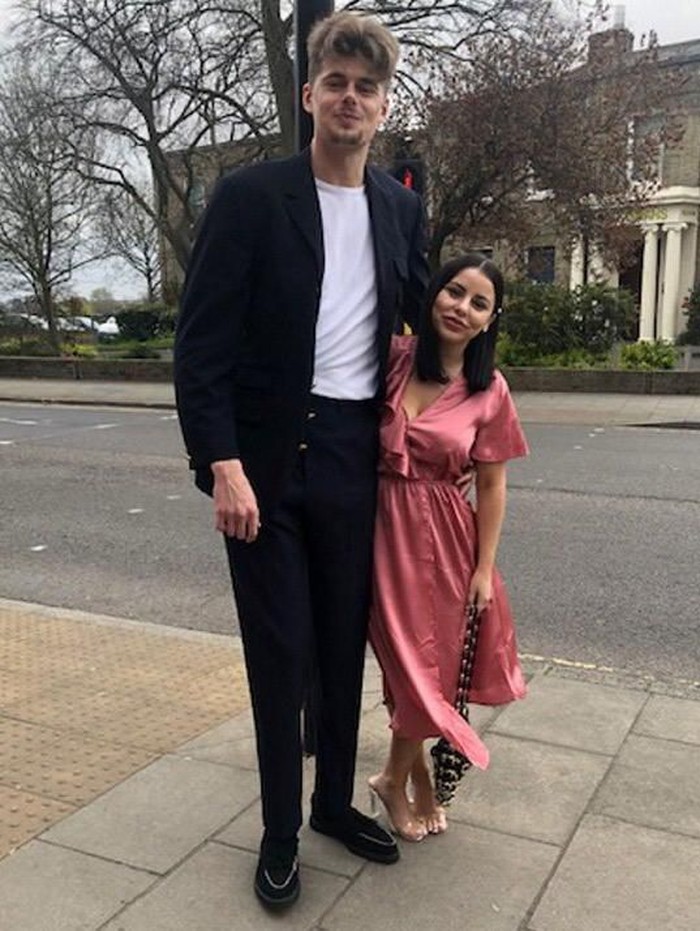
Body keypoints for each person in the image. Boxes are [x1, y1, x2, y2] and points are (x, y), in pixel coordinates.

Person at [174, 11, 429, 910]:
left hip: (356, 455)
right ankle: (281, 828)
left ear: (383, 104)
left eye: (367, 87)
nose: (350, 99)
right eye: (337, 84)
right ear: (311, 95)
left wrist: (472, 394)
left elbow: (423, 321)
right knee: (280, 654)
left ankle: (331, 804)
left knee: (339, 644)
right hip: (268, 463)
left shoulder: (399, 206)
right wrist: (222, 462)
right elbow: (201, 346)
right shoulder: (252, 197)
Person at [367, 253, 529, 842]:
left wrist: (484, 569)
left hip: (442, 541)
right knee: (403, 664)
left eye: (479, 303)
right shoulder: (392, 357)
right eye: (454, 292)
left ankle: (399, 779)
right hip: (370, 527)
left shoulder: (489, 390)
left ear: (491, 319)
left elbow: (492, 485)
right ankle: (410, 780)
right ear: (434, 293)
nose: (462, 308)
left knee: (425, 665)